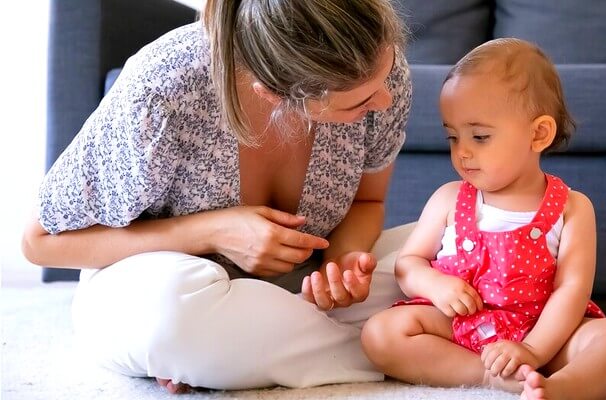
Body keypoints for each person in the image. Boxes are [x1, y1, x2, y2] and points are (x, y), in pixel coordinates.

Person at [21, 0, 413, 394]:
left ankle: (233, 354)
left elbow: (367, 203)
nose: (385, 102)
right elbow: (40, 243)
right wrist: (210, 233)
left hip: (294, 289)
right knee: (173, 316)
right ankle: (395, 348)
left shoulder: (382, 67)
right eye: (360, 101)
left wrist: (342, 267)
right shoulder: (164, 89)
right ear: (275, 94)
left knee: (446, 255)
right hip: (170, 288)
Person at [360, 38, 606, 400]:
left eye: (480, 136)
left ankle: (561, 389)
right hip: (463, 329)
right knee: (380, 333)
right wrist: (434, 285)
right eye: (452, 136)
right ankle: (490, 376)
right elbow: (408, 264)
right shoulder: (449, 198)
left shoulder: (571, 207)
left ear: (538, 134)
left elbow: (572, 291)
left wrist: (535, 349)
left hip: (544, 330)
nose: (462, 151)